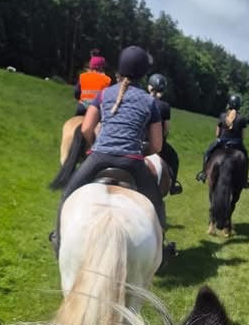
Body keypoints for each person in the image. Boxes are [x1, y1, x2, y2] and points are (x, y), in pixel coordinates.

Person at [52, 45, 172, 255]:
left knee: (67, 195)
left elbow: (87, 128)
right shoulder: (150, 102)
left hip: (99, 157)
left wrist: (96, 146)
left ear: (120, 69)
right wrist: (139, 152)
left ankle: (59, 240)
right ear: (143, 74)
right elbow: (157, 146)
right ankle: (159, 250)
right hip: (131, 161)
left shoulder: (103, 94)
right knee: (157, 205)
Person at [196, 94, 249, 187]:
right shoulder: (242, 119)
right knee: (246, 158)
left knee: (207, 153)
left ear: (229, 104)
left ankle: (203, 173)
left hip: (221, 142)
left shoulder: (222, 116)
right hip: (236, 143)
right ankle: (245, 180)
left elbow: (217, 134)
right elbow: (243, 137)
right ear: (239, 106)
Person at [147, 72, 182, 194]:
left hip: (137, 140)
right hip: (157, 144)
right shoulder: (165, 106)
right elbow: (166, 128)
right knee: (174, 158)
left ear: (149, 87)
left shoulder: (141, 100)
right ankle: (173, 187)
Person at [73, 50, 111, 115]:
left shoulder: (83, 76)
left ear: (91, 66)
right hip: (97, 109)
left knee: (73, 122)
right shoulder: (107, 80)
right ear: (101, 67)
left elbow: (76, 92)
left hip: (82, 107)